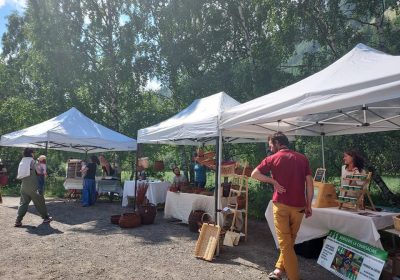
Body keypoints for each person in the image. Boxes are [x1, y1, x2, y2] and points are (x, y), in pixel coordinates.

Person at [251, 132, 313, 280]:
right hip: (299, 207)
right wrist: (309, 205)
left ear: (278, 143)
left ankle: (293, 277)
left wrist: (273, 182)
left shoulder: (272, 158)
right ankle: (279, 270)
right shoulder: (302, 158)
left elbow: (254, 174)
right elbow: (310, 184)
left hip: (281, 205)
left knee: (286, 243)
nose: (271, 148)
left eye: (271, 145)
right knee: (289, 240)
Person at [15, 148, 52, 227]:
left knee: (23, 203)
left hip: (24, 186)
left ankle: (18, 220)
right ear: (31, 153)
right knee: (40, 202)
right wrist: (42, 163)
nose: (34, 154)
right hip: (34, 186)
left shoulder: (22, 162)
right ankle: (46, 217)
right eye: (33, 153)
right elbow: (41, 172)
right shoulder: (33, 162)